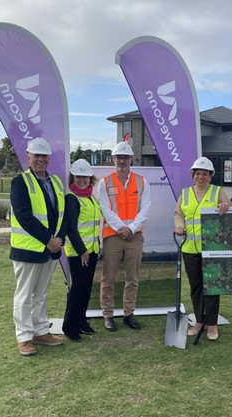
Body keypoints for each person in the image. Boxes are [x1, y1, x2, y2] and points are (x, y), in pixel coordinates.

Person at [10, 137, 65, 356]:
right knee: (24, 295)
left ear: (49, 158)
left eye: (44, 156)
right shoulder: (20, 182)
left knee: (40, 294)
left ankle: (40, 331)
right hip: (28, 249)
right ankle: (24, 337)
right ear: (28, 157)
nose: (41, 159)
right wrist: (49, 240)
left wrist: (59, 239)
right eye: (37, 155)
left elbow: (61, 214)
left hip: (50, 249)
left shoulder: (57, 182)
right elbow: (24, 216)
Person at [174, 157, 232, 341]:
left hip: (212, 248)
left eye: (204, 174)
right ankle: (199, 321)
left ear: (210, 176)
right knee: (196, 286)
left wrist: (225, 206)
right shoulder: (185, 193)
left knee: (212, 286)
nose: (201, 177)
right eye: (197, 173)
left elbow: (229, 208)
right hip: (190, 247)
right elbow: (178, 213)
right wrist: (179, 225)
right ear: (193, 176)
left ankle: (212, 324)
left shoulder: (218, 191)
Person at [97, 141, 151, 332]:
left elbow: (145, 209)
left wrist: (132, 228)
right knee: (108, 278)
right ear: (113, 159)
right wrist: (122, 228)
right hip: (112, 235)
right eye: (118, 157)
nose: (122, 161)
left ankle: (128, 313)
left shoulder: (142, 181)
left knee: (132, 277)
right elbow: (105, 209)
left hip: (135, 236)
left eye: (125, 157)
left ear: (131, 159)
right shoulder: (104, 182)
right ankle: (108, 315)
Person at [62, 159, 101, 342]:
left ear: (90, 178)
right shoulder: (72, 198)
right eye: (78, 177)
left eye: (85, 177)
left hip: (91, 250)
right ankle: (69, 326)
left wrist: (94, 247)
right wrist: (82, 251)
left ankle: (81, 321)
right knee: (77, 289)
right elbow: (71, 228)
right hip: (79, 253)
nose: (82, 180)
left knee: (86, 289)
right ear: (73, 177)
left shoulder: (91, 197)